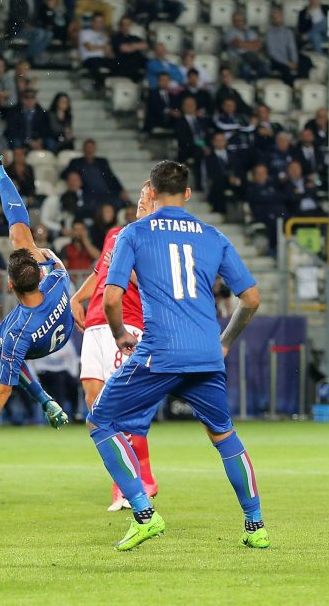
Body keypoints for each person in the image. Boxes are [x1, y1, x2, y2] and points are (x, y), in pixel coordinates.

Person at [88, 160, 267, 551]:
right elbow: (251, 298)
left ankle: (144, 514)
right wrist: (224, 342)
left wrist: (119, 334)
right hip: (206, 353)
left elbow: (111, 297)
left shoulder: (133, 234)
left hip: (159, 352)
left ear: (150, 191)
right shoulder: (213, 236)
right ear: (188, 194)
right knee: (224, 435)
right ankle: (255, 526)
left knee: (100, 420)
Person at [0, 138, 72, 471]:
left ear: (9, 285)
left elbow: (2, 391)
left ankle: (44, 400)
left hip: (37, 341)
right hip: (59, 316)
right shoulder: (56, 275)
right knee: (22, 237)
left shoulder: (17, 334)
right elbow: (38, 248)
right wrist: (48, 256)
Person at [71, 180, 157, 511]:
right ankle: (135, 480)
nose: (140, 201)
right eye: (139, 195)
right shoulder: (117, 233)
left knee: (120, 408)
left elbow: (144, 280)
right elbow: (100, 271)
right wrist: (78, 297)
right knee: (94, 406)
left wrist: (129, 263)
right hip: (94, 324)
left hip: (127, 322)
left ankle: (134, 483)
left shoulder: (154, 241)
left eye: (147, 197)